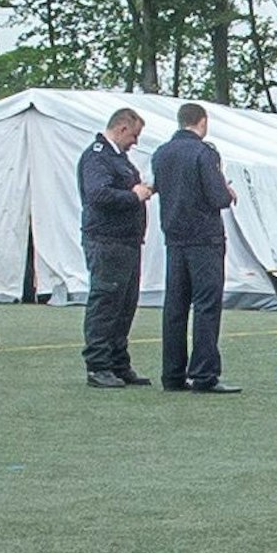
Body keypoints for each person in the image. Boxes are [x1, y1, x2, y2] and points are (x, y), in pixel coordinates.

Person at [152, 102, 240, 393]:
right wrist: (226, 191)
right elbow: (217, 197)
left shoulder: (161, 154)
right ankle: (203, 374)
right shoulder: (205, 153)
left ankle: (172, 374)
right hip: (204, 239)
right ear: (202, 122)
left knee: (175, 307)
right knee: (205, 306)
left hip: (174, 238)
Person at [79, 108, 155, 388]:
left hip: (126, 241)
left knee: (125, 305)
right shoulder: (97, 156)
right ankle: (98, 365)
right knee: (106, 303)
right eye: (134, 135)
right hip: (107, 241)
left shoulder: (119, 159)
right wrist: (133, 195)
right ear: (122, 129)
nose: (135, 142)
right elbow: (97, 194)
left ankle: (118, 363)